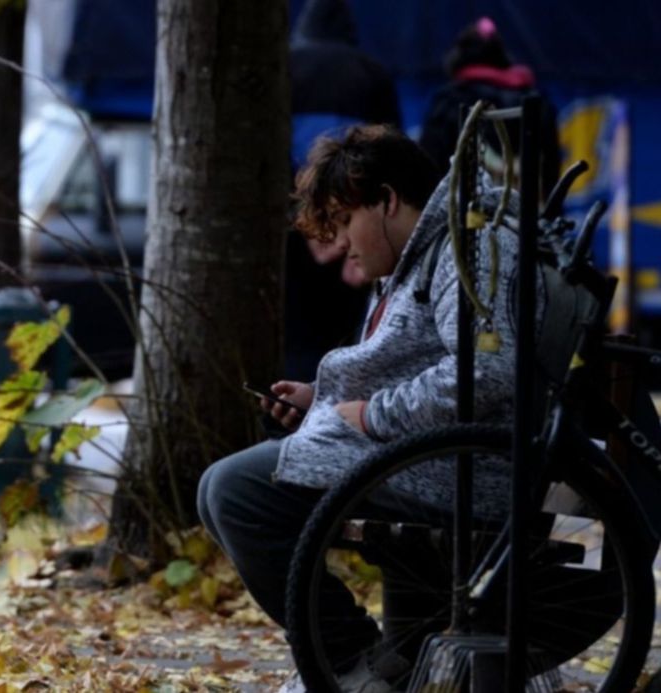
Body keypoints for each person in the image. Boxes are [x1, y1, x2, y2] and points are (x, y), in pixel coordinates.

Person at [196, 125, 527, 692]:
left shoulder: (465, 251)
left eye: (346, 220)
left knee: (235, 492)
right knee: (216, 490)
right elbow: (416, 365)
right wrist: (320, 402)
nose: (341, 243)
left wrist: (375, 415)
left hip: (455, 466)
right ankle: (361, 661)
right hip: (417, 453)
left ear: (387, 200)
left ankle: (352, 663)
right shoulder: (422, 252)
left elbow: (489, 371)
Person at [284, 0, 400, 381]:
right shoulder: (372, 74)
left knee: (295, 341)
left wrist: (304, 222)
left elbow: (265, 160)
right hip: (353, 235)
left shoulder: (283, 68)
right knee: (346, 338)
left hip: (293, 239)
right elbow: (390, 161)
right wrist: (355, 238)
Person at [417, 17, 561, 194]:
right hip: (527, 208)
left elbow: (428, 166)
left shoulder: (450, 101)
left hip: (464, 208)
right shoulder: (537, 103)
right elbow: (551, 173)